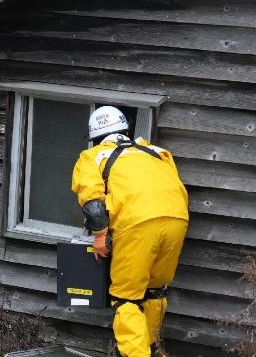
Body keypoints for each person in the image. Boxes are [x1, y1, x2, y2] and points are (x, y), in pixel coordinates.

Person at [71, 106, 189, 357]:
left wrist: (101, 235)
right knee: (154, 291)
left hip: (137, 224)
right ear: (126, 130)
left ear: (96, 136)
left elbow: (93, 204)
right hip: (177, 220)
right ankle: (152, 348)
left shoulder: (92, 156)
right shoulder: (158, 153)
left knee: (126, 297)